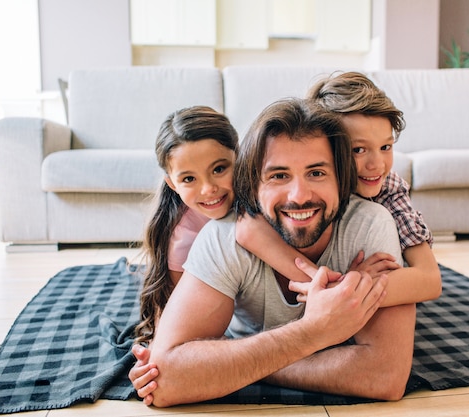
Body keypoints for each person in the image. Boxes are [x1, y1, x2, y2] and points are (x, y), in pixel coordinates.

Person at [132, 98, 416, 407]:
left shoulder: (370, 225)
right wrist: (313, 333)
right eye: (279, 175)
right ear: (253, 183)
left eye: (317, 173)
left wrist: (229, 363)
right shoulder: (222, 235)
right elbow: (167, 380)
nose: (299, 196)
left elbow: (386, 377)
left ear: (342, 178)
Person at [237, 71, 441, 306]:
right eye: (358, 150)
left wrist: (340, 289)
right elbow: (247, 231)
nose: (377, 165)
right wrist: (333, 288)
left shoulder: (388, 188)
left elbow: (429, 278)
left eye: (386, 147)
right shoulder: (297, 191)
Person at [134, 106, 240, 345]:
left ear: (239, 157)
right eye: (189, 179)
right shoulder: (183, 237)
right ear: (172, 184)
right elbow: (177, 306)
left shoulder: (262, 196)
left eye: (219, 169)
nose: (208, 188)